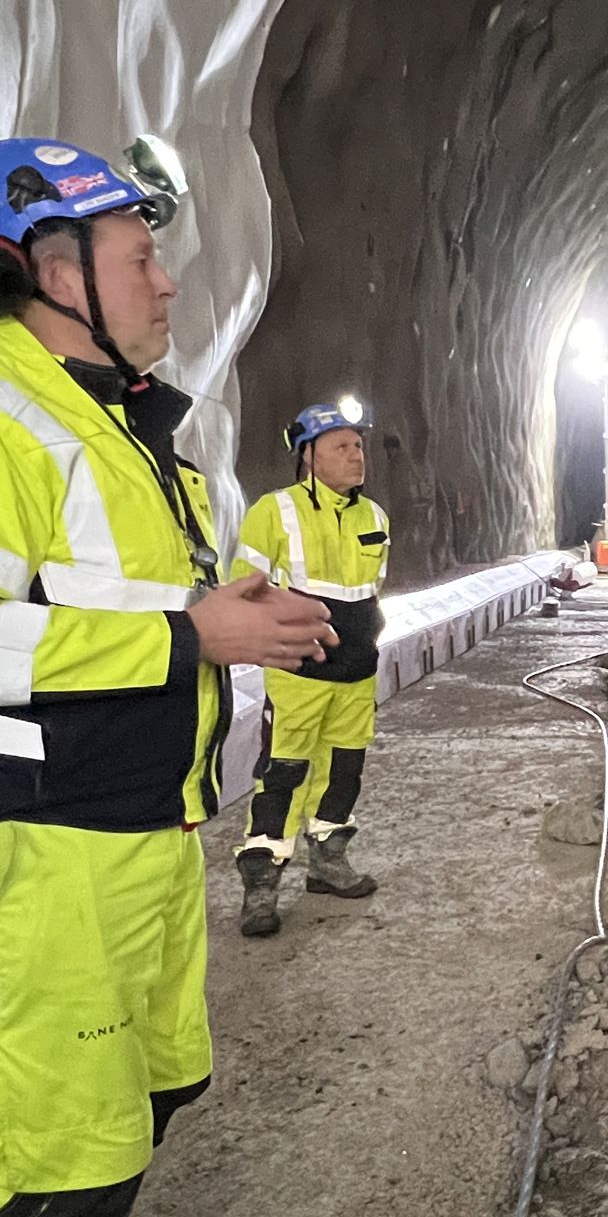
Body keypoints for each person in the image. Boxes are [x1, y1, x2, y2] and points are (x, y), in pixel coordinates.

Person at [0, 135, 333, 1217]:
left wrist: (226, 613)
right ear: (49, 269)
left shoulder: (123, 426)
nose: (170, 281)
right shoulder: (10, 419)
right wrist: (194, 630)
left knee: (140, 1098)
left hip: (140, 827)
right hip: (43, 842)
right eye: (141, 257)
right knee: (44, 1133)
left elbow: (128, 609)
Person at [233, 398, 391, 937]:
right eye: (342, 446)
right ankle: (263, 881)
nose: (356, 455)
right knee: (284, 773)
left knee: (344, 770)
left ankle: (327, 862)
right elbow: (245, 589)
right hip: (299, 671)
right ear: (309, 457)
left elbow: (371, 591)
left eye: (358, 445)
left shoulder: (375, 517)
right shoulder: (273, 512)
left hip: (356, 672)